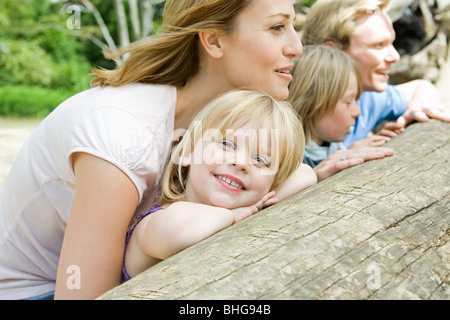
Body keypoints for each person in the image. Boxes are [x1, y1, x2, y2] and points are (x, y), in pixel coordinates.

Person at [0, 0, 305, 300]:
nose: (297, 46)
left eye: (294, 26)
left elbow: (297, 175)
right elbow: (83, 295)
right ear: (213, 40)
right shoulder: (123, 135)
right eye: (277, 26)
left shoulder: (215, 135)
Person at [122, 89, 307, 282]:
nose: (241, 162)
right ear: (186, 152)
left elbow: (305, 174)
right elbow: (180, 231)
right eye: (227, 144)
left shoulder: (249, 203)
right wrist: (234, 215)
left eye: (260, 159)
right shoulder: (155, 223)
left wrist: (258, 200)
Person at [301, 0, 450, 176]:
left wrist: (417, 108)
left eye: (391, 43)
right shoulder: (279, 118)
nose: (395, 56)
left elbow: (421, 87)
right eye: (378, 45)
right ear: (333, 53)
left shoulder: (367, 98)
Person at [288, 45, 394, 180]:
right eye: (348, 102)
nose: (357, 112)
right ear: (312, 103)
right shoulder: (281, 157)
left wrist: (349, 152)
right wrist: (312, 178)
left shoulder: (332, 147)